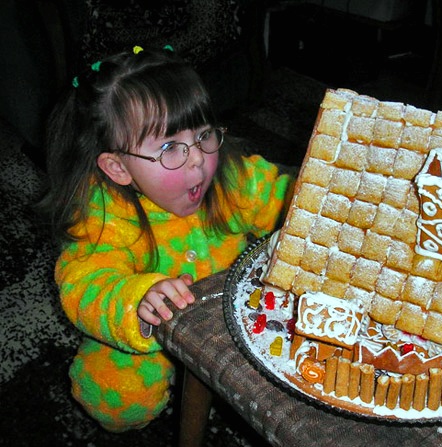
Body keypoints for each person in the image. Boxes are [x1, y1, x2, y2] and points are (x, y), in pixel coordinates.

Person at [41, 45, 294, 432]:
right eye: (169, 147)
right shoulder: (103, 215)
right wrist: (137, 300)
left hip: (228, 306)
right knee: (117, 397)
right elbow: (85, 282)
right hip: (151, 329)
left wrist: (310, 204)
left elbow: (282, 200)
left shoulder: (229, 174)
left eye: (204, 134)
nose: (197, 158)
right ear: (117, 167)